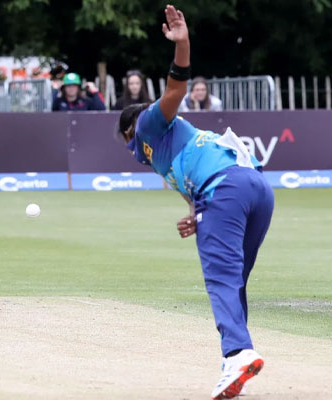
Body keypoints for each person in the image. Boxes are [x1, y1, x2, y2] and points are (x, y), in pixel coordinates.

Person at [116, 5, 273, 399]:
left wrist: (182, 43)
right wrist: (194, 212)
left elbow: (176, 89)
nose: (132, 152)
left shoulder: (151, 124)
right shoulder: (169, 151)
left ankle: (237, 353)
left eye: (128, 143)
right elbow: (191, 178)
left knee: (220, 279)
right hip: (256, 189)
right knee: (233, 281)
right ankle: (234, 358)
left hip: (225, 191)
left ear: (132, 130)